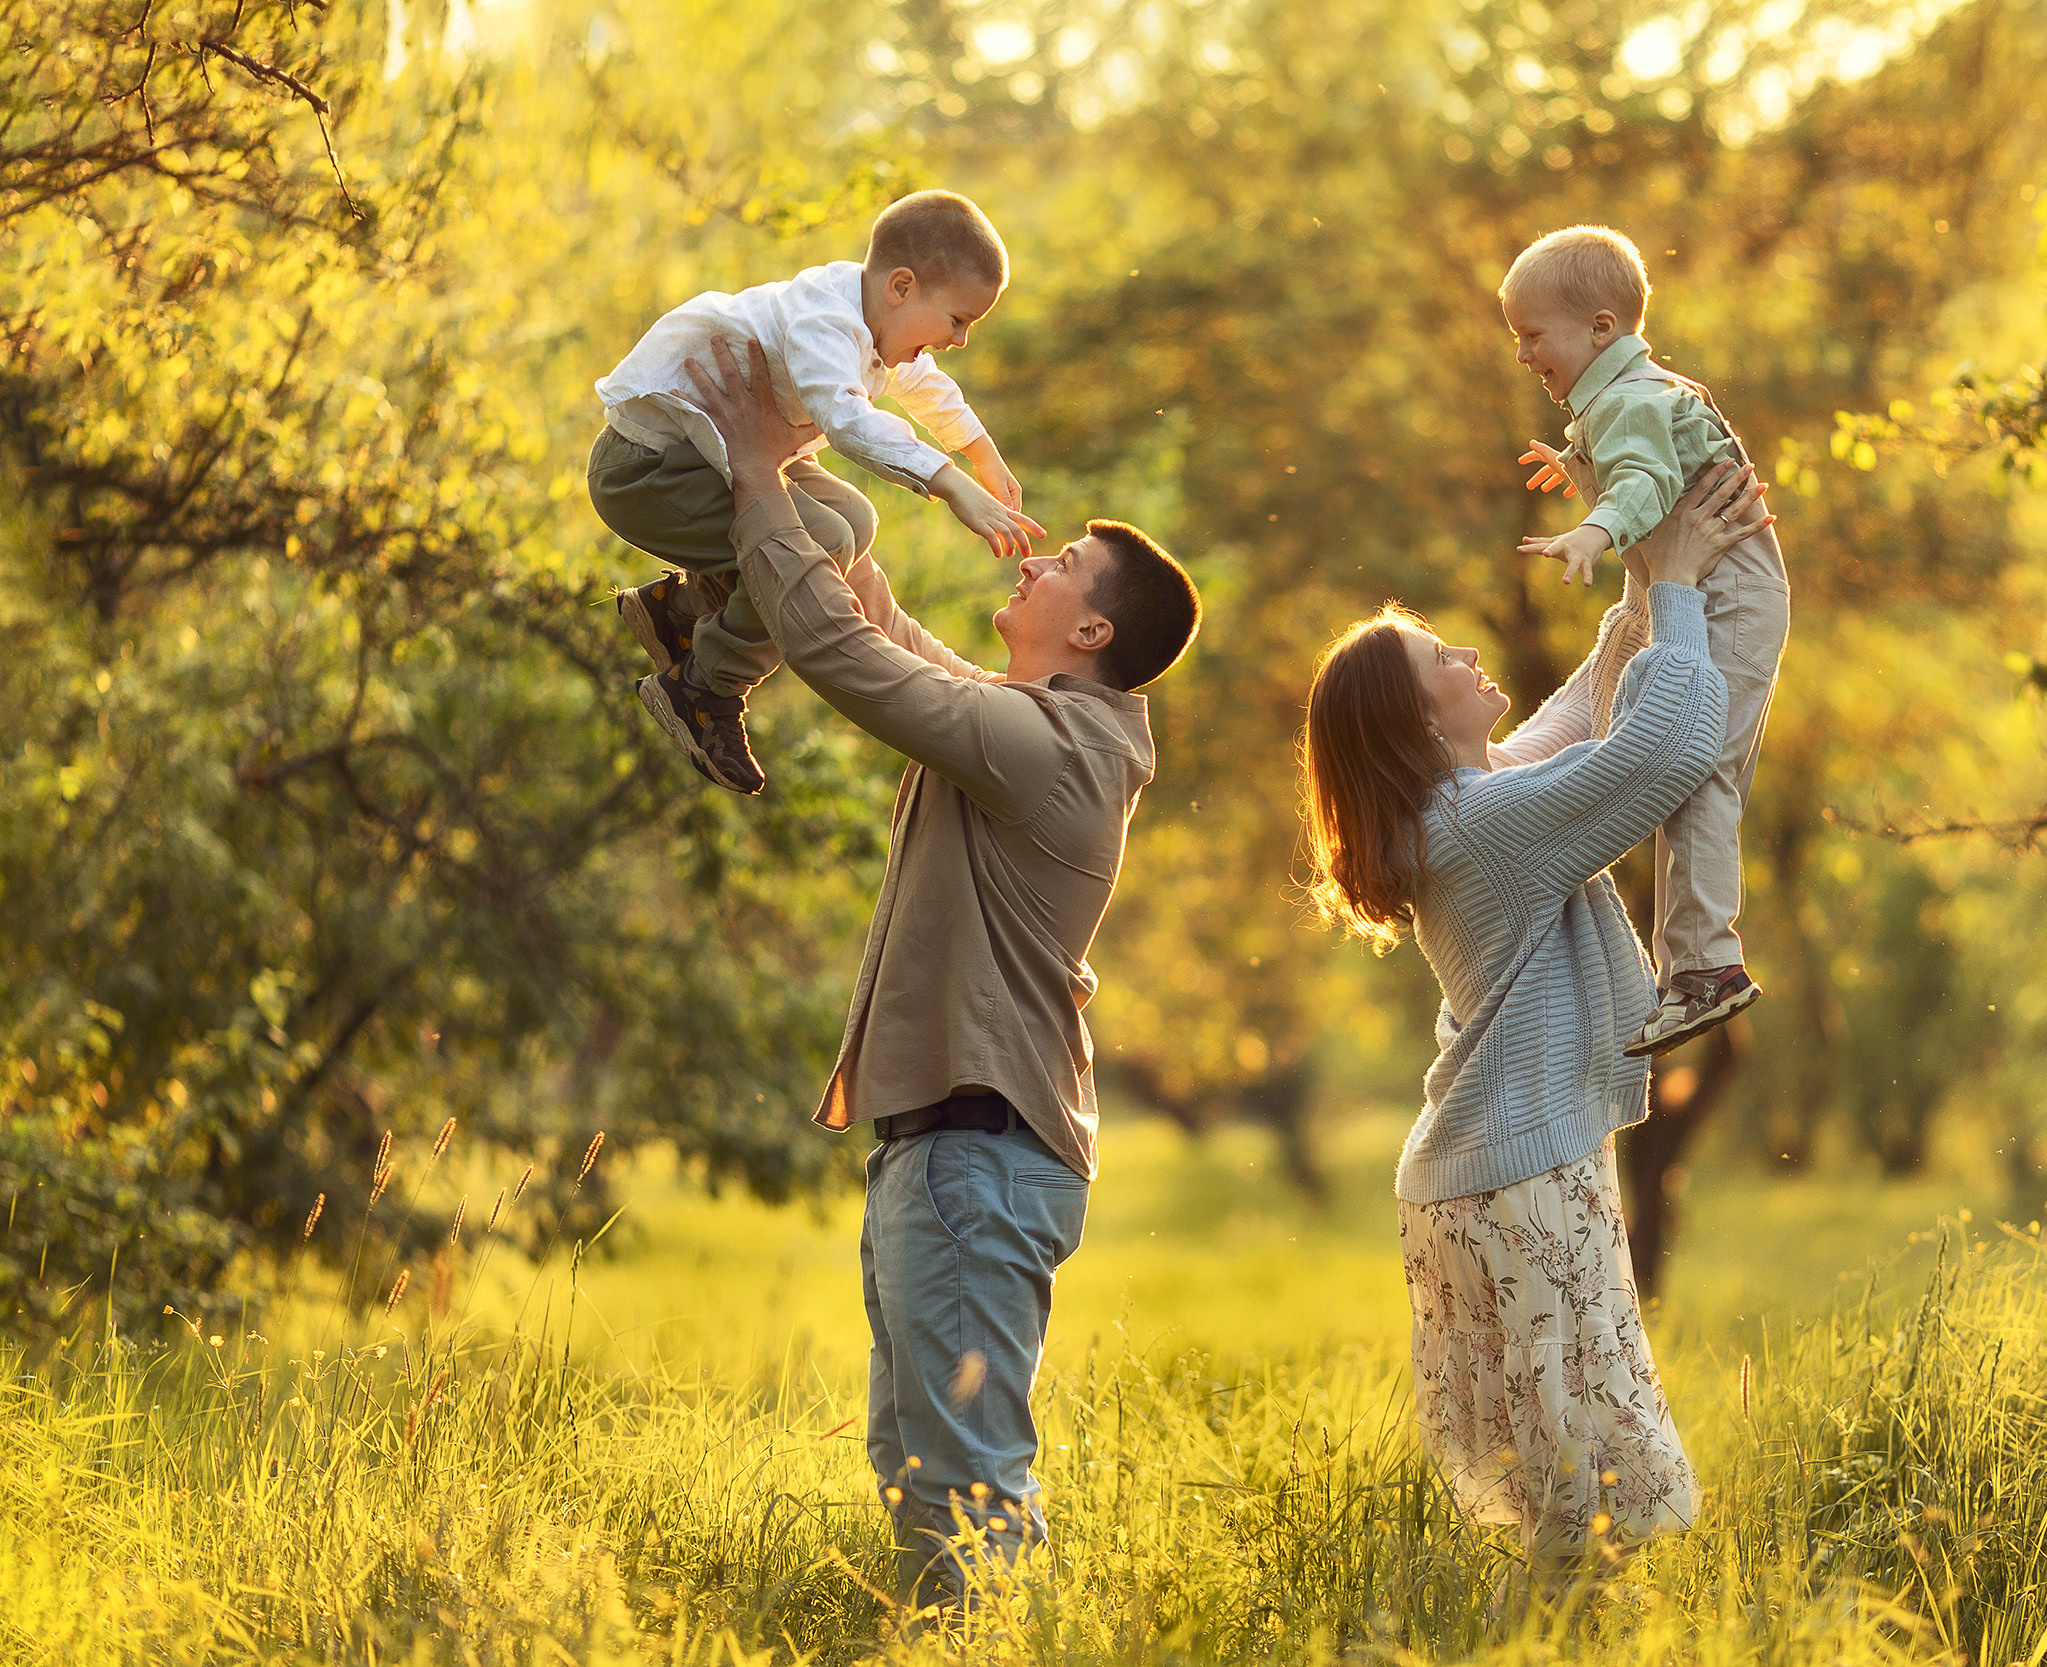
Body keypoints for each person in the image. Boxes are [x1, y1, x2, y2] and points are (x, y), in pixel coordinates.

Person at [678, 334, 1201, 1610]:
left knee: (960, 1477)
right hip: (954, 1144)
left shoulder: (1047, 747)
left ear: (1087, 627)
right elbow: (888, 631)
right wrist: (817, 473)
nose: (1030, 555)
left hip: (978, 1148)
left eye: (1063, 563)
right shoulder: (1038, 723)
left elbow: (853, 664)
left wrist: (755, 480)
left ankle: (1000, 1641)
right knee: (922, 1470)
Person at [1299, 460, 1768, 1581]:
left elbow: (1565, 722)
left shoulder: (1462, 802)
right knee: (1584, 1483)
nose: (1467, 656)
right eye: (1442, 660)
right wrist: (1690, 590)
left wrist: (1643, 588)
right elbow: (1656, 754)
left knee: (1565, 1465)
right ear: (1420, 715)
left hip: (1485, 1173)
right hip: (1517, 1177)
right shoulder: (1481, 824)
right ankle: (1561, 1640)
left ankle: (1547, 1631)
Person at [587, 188, 1046, 795]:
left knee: (853, 518)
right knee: (825, 539)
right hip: (649, 469)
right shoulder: (824, 320)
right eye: (958, 320)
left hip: (710, 456)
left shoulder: (873, 317)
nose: (960, 340)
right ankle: (705, 686)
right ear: (900, 286)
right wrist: (952, 484)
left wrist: (981, 451)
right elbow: (848, 420)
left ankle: (681, 611)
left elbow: (925, 385)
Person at [1500, 224, 1792, 1058]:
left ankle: (1707, 969)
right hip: (1690, 592)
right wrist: (1580, 467)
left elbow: (1648, 478)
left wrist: (1594, 529)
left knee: (1700, 773)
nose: (1523, 354)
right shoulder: (1625, 398)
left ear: (1599, 329)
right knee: (1643, 740)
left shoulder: (1629, 400)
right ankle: (1689, 956)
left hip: (1726, 599)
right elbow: (1639, 458)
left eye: (1531, 335)